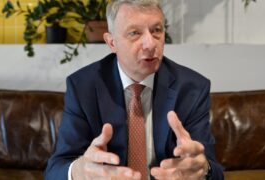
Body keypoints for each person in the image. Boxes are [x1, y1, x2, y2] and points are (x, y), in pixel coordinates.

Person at [45, 0, 224, 179]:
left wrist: (202, 169)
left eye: (156, 31)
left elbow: (213, 171)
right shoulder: (83, 87)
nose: (150, 44)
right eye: (135, 33)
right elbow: (55, 171)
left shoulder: (192, 88)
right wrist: (79, 171)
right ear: (112, 42)